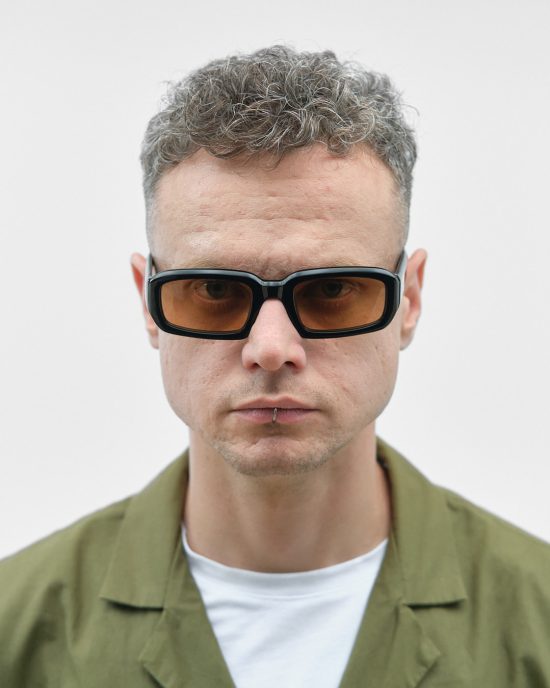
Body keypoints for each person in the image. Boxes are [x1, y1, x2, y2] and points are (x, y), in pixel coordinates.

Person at [1, 45, 549, 688]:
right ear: (148, 303)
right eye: (213, 290)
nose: (270, 347)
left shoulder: (535, 622)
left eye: (331, 290)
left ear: (409, 300)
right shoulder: (16, 630)